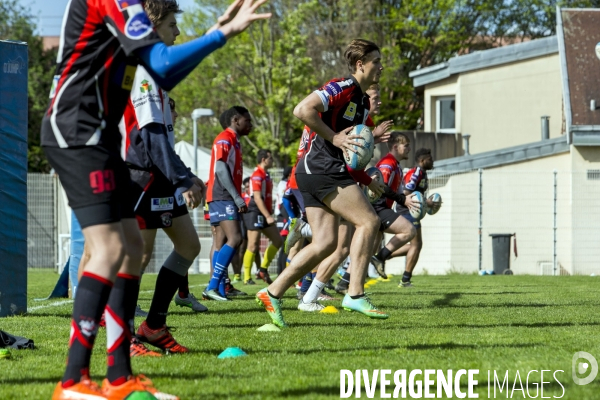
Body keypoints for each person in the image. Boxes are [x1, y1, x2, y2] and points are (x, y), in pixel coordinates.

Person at [42, 0, 270, 397]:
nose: (176, 29)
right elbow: (162, 65)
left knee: (131, 246)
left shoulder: (133, 23)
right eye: (172, 24)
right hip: (76, 128)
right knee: (111, 249)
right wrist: (220, 36)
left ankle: (118, 376)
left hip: (99, 135)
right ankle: (73, 380)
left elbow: (162, 74)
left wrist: (211, 38)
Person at [256, 39, 390, 328]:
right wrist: (336, 138)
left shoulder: (362, 102)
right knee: (369, 222)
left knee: (326, 242)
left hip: (316, 170)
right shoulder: (343, 86)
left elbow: (352, 153)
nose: (381, 66)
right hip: (321, 168)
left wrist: (366, 173)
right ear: (360, 65)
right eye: (376, 61)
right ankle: (354, 293)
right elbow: (302, 109)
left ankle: (272, 292)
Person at [204, 106, 252, 301]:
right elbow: (221, 168)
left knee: (220, 242)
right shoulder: (226, 138)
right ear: (235, 120)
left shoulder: (234, 141)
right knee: (235, 238)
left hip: (218, 195)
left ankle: (220, 289)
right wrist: (237, 196)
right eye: (247, 120)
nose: (250, 124)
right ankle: (212, 286)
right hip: (222, 195)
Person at [391, 148, 439, 288]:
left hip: (411, 211)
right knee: (416, 245)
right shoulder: (417, 172)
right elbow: (406, 191)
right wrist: (426, 202)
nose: (432, 161)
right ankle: (404, 279)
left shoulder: (422, 173)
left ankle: (380, 256)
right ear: (422, 160)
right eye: (430, 159)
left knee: (415, 246)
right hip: (407, 211)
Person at [241, 149, 282, 284]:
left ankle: (263, 269)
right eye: (270, 158)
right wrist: (268, 216)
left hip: (264, 212)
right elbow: (257, 198)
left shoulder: (266, 174)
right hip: (255, 211)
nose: (272, 161)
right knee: (253, 245)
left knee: (278, 240)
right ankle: (247, 277)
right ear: (264, 159)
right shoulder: (257, 175)